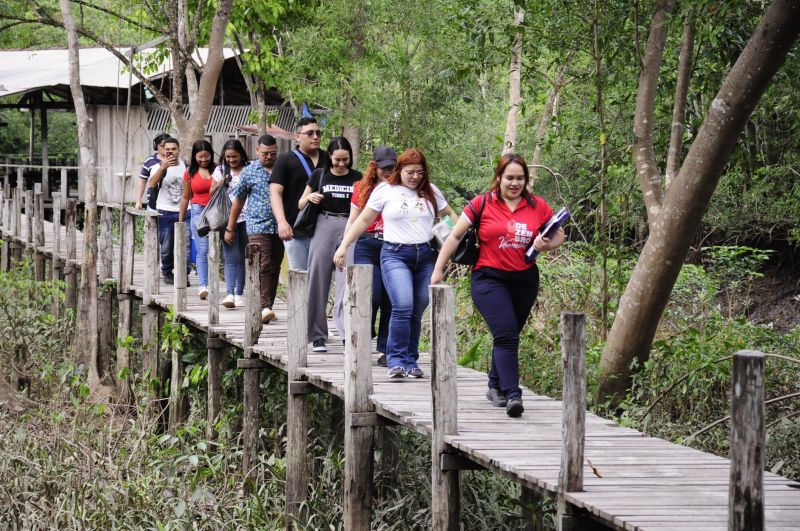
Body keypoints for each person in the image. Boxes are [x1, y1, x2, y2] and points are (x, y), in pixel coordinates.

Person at [431, 153, 565, 418]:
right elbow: (455, 235)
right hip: (489, 278)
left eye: (520, 178)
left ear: (526, 180)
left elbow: (558, 232)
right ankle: (513, 394)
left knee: (510, 333)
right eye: (510, 178)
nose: (515, 183)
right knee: (505, 334)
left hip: (525, 279)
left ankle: (494, 385)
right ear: (499, 178)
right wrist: (438, 270)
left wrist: (547, 244)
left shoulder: (536, 205)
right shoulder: (482, 203)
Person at [334, 148, 457, 378]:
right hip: (395, 254)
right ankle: (396, 360)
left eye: (420, 172)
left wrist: (459, 240)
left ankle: (411, 360)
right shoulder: (385, 190)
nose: (415, 177)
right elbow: (364, 219)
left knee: (418, 307)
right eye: (410, 172)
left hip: (426, 255)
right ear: (400, 171)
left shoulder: (430, 192)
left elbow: (450, 218)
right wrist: (344, 246)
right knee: (402, 304)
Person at [299, 137, 362, 352]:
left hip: (350, 225)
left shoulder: (358, 178)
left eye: (345, 160)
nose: (341, 164)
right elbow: (300, 203)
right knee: (318, 277)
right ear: (330, 157)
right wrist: (310, 198)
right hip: (324, 223)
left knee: (348, 280)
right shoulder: (319, 174)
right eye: (337, 160)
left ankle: (346, 332)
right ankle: (317, 335)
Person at [345, 146, 397, 365]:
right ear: (374, 166)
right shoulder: (361, 187)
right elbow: (354, 219)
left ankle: (385, 348)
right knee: (370, 295)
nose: (387, 172)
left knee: (390, 299)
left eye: (391, 168)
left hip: (393, 244)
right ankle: (362, 335)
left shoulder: (401, 188)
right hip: (367, 243)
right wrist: (344, 247)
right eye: (383, 168)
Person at [225, 134, 284, 324]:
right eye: (265, 153)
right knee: (263, 264)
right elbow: (239, 200)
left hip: (281, 226)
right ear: (257, 151)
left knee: (275, 266)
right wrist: (230, 227)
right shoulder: (249, 172)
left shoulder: (283, 169)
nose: (269, 157)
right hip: (258, 225)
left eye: (273, 153)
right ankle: (263, 306)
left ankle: (268, 306)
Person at [269, 117, 331, 271]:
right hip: (295, 229)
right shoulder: (285, 160)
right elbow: (275, 192)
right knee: (299, 277)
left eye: (318, 133)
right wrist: (281, 222)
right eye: (310, 133)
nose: (315, 137)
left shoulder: (329, 160)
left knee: (321, 278)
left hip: (324, 230)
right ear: (298, 136)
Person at [212, 139, 249, 308]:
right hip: (227, 219)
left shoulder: (250, 169)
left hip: (248, 218)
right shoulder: (220, 170)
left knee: (243, 256)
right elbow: (210, 191)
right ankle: (229, 293)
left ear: (241, 154)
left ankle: (240, 293)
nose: (231, 160)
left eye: (234, 156)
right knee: (231, 256)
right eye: (228, 157)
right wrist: (222, 182)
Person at [147, 137, 188, 285]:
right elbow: (151, 183)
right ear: (163, 150)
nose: (170, 152)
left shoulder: (186, 166)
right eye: (167, 149)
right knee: (167, 245)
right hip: (165, 209)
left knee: (186, 243)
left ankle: (184, 272)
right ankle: (167, 271)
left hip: (185, 209)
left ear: (179, 150)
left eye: (173, 149)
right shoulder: (157, 166)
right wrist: (163, 167)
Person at [179, 139, 216, 300]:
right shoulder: (189, 172)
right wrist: (181, 221)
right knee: (203, 249)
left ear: (211, 155)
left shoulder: (218, 170)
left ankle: (217, 283)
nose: (203, 160)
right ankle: (203, 285)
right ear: (194, 156)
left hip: (217, 211)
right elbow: (186, 196)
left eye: (206, 156)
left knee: (217, 249)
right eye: (200, 157)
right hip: (198, 211)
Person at [136, 132, 170, 209]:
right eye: (162, 146)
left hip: (170, 203)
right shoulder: (149, 161)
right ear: (156, 146)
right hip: (153, 202)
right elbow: (142, 181)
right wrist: (138, 201)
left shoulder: (175, 162)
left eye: (167, 146)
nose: (165, 148)